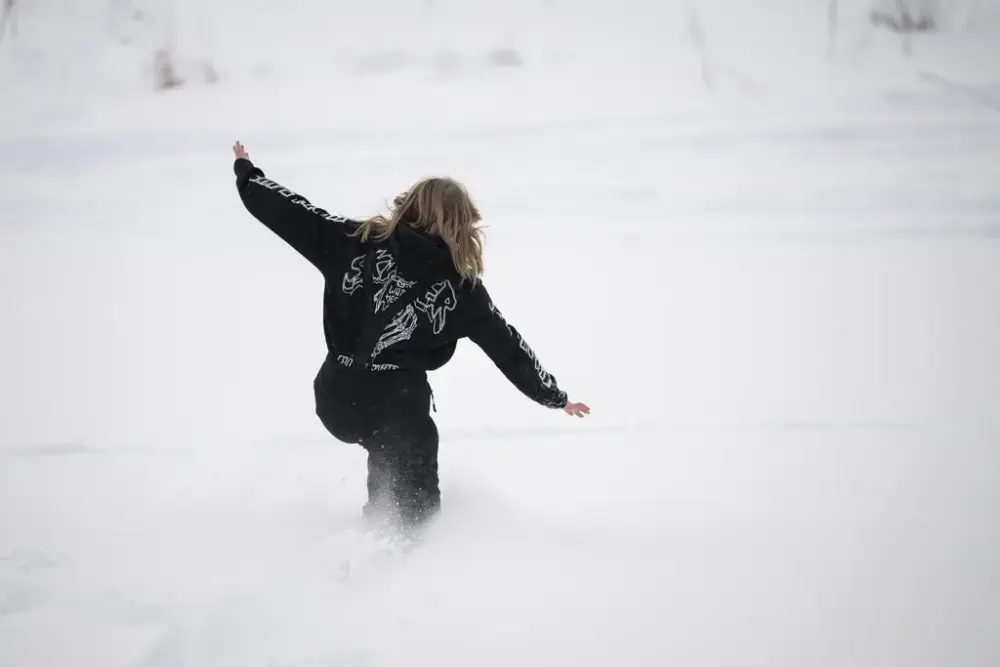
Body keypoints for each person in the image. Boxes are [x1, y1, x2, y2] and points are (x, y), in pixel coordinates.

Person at [231, 141, 589, 531]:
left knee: (387, 452)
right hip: (395, 406)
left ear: (410, 206)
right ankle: (407, 551)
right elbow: (509, 349)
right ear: (462, 224)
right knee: (413, 485)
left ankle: (373, 530)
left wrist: (248, 175)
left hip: (335, 397)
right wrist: (555, 397)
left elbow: (291, 212)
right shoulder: (462, 291)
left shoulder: (351, 240)